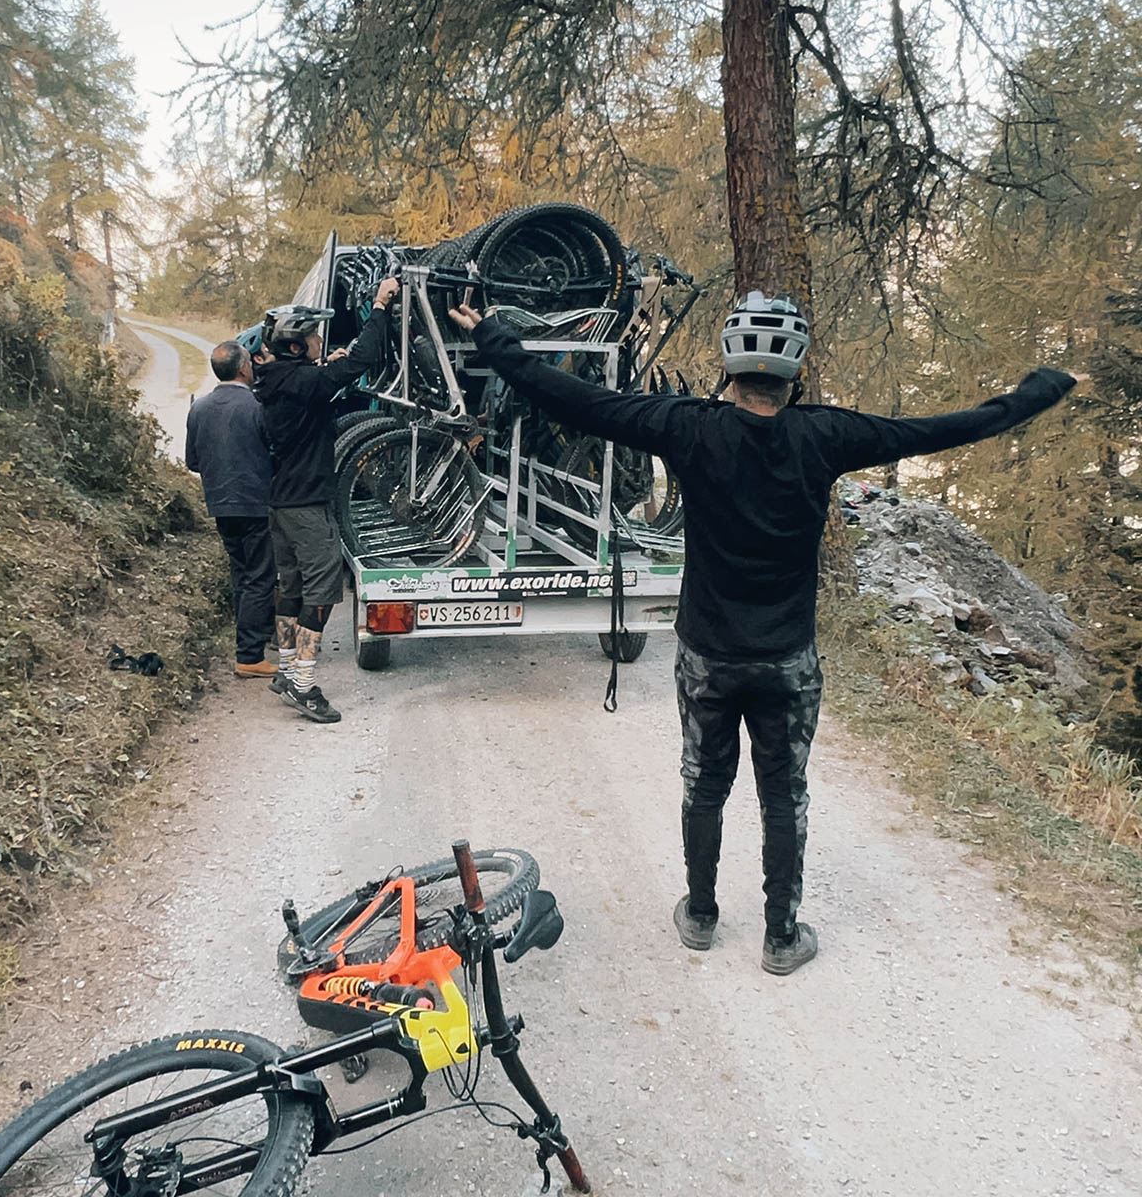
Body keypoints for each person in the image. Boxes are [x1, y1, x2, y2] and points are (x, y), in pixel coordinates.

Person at [450, 293, 1084, 975]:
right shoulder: (827, 435)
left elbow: (576, 399)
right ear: (794, 373)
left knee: (704, 784)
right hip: (788, 659)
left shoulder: (687, 426)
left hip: (707, 656)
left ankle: (699, 914)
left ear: (729, 364)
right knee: (783, 794)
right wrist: (1040, 390)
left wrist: (494, 336)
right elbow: (942, 429)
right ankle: (781, 938)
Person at [254, 280, 400, 723]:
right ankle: (303, 685)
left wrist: (327, 369)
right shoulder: (302, 381)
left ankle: (284, 670)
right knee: (320, 595)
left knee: (291, 589)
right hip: (306, 505)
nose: (321, 342)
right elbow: (365, 358)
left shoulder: (279, 380)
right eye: (315, 338)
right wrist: (380, 305)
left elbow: (319, 386)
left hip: (280, 504)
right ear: (297, 347)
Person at [185, 340, 278, 680]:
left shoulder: (199, 408)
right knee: (261, 577)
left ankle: (252, 636)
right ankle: (250, 655)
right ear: (242, 368)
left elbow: (193, 462)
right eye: (250, 364)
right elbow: (275, 451)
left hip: (220, 504)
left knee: (242, 573)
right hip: (254, 502)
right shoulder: (257, 405)